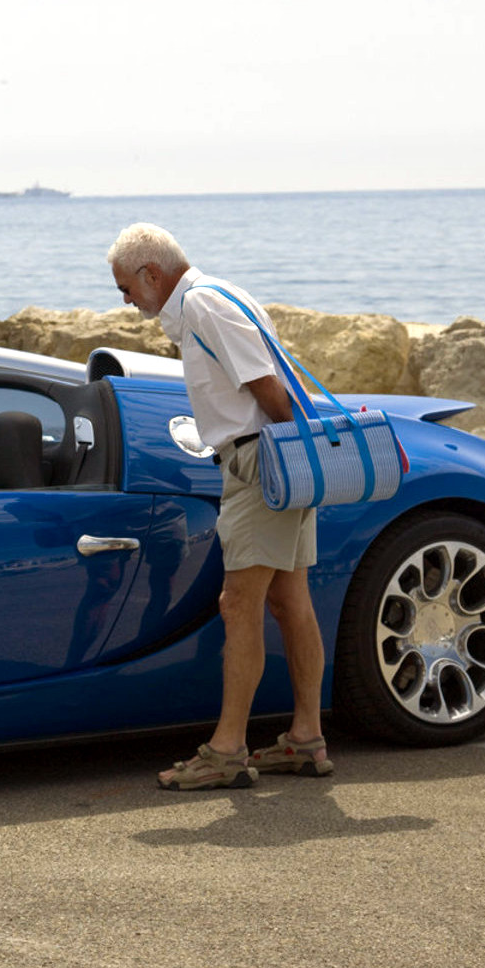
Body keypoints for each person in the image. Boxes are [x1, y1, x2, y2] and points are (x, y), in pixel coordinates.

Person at [106, 222, 332, 790]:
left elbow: (263, 383)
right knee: (289, 598)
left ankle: (228, 750)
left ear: (151, 273)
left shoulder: (204, 305)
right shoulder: (224, 295)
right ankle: (306, 739)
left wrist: (288, 456)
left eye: (127, 290)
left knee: (240, 602)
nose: (128, 303)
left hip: (262, 461)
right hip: (279, 458)